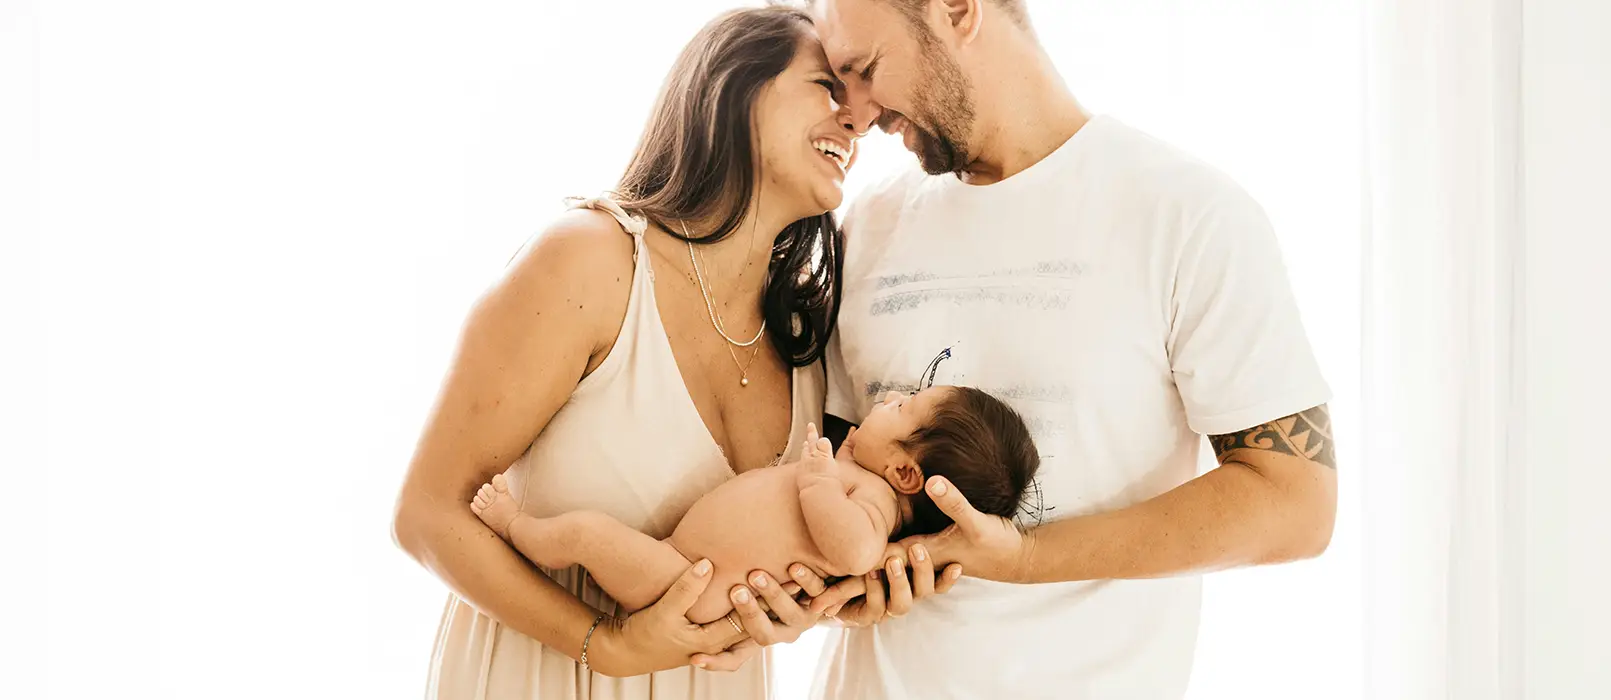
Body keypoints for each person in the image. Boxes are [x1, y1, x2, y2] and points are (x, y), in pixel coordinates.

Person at [803, 0, 1341, 697]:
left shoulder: (1189, 215)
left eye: (866, 70)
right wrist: (842, 576)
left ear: (958, 10)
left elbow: (1296, 501)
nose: (860, 114)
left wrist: (1025, 557)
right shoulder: (867, 224)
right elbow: (841, 473)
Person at [390, 6, 866, 697]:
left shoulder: (806, 341)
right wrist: (604, 646)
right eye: (828, 85)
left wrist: (788, 609)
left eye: (864, 110)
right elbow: (426, 515)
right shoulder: (590, 262)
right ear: (735, 86)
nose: (855, 120)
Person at [468, 387, 1039, 626]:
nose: (887, 398)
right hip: (682, 565)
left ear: (907, 474)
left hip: (689, 586)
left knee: (587, 535)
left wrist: (818, 478)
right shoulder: (862, 476)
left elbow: (857, 549)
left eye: (905, 405)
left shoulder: (874, 508)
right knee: (596, 534)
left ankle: (515, 525)